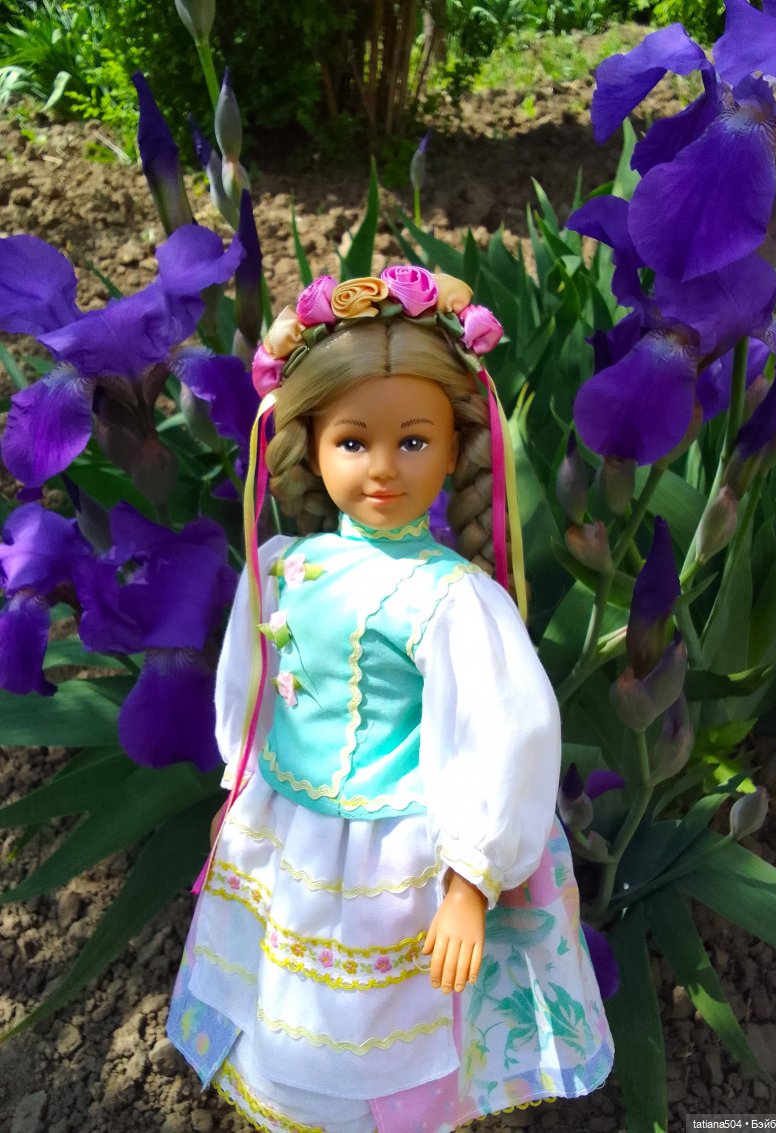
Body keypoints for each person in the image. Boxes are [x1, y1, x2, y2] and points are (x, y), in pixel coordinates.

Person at [167, 267, 613, 1133]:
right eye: (351, 441)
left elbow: (503, 733)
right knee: (279, 1000)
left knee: (380, 1034)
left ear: (454, 450)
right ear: (310, 445)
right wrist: (241, 778)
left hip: (390, 859)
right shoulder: (285, 565)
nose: (380, 467)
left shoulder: (451, 600)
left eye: (412, 441)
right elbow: (250, 686)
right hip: (288, 832)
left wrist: (472, 877)